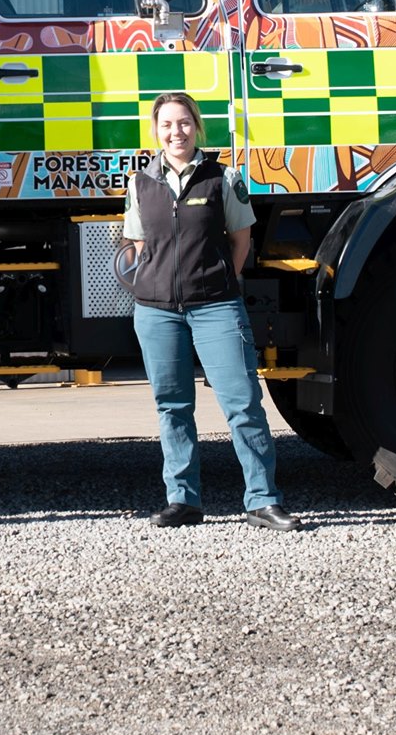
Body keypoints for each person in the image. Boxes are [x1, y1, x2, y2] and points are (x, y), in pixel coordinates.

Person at [121, 92, 303, 531]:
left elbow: (241, 239)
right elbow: (141, 245)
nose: (176, 132)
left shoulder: (223, 178)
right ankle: (183, 501)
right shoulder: (140, 183)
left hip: (216, 307)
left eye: (184, 123)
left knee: (243, 403)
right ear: (155, 130)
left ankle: (262, 500)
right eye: (167, 124)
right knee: (172, 406)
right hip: (157, 312)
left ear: (197, 126)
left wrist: (219, 280)